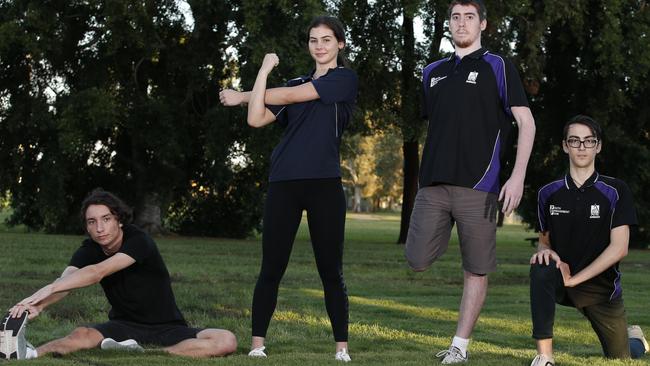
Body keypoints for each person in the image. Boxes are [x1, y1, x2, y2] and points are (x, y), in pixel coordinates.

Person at [219, 15, 357, 362]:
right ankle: (257, 346)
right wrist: (263, 72)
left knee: (331, 269)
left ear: (339, 44)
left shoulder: (344, 80)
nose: (320, 46)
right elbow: (256, 119)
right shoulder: (292, 82)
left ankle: (341, 348)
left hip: (324, 185)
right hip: (284, 183)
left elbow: (296, 95)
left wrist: (241, 95)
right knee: (271, 267)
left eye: (327, 40)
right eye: (314, 40)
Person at [404, 0, 536, 363]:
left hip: (480, 187)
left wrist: (517, 176)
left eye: (469, 17)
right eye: (455, 17)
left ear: (483, 24)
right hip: (432, 186)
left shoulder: (498, 66)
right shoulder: (432, 71)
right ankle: (446, 228)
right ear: (449, 24)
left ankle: (458, 348)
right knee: (416, 260)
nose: (462, 23)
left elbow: (527, 123)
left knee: (476, 269)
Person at [0, 189, 237, 360]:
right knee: (81, 334)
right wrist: (40, 306)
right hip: (123, 327)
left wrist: (49, 288)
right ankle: (31, 354)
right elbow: (67, 282)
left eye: (106, 219)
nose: (100, 228)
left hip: (167, 327)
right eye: (92, 222)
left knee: (226, 340)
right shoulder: (89, 249)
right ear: (87, 226)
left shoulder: (139, 241)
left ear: (119, 220)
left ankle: (147, 353)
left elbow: (97, 272)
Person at [529, 115, 648, 366]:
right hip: (562, 277)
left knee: (622, 356)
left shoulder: (616, 191)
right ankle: (545, 357)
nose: (581, 147)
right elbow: (544, 242)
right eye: (575, 141)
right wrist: (546, 253)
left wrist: (575, 279)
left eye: (588, 141)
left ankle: (635, 338)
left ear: (598, 146)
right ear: (564, 146)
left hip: (600, 289)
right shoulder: (547, 193)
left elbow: (619, 248)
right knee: (540, 266)